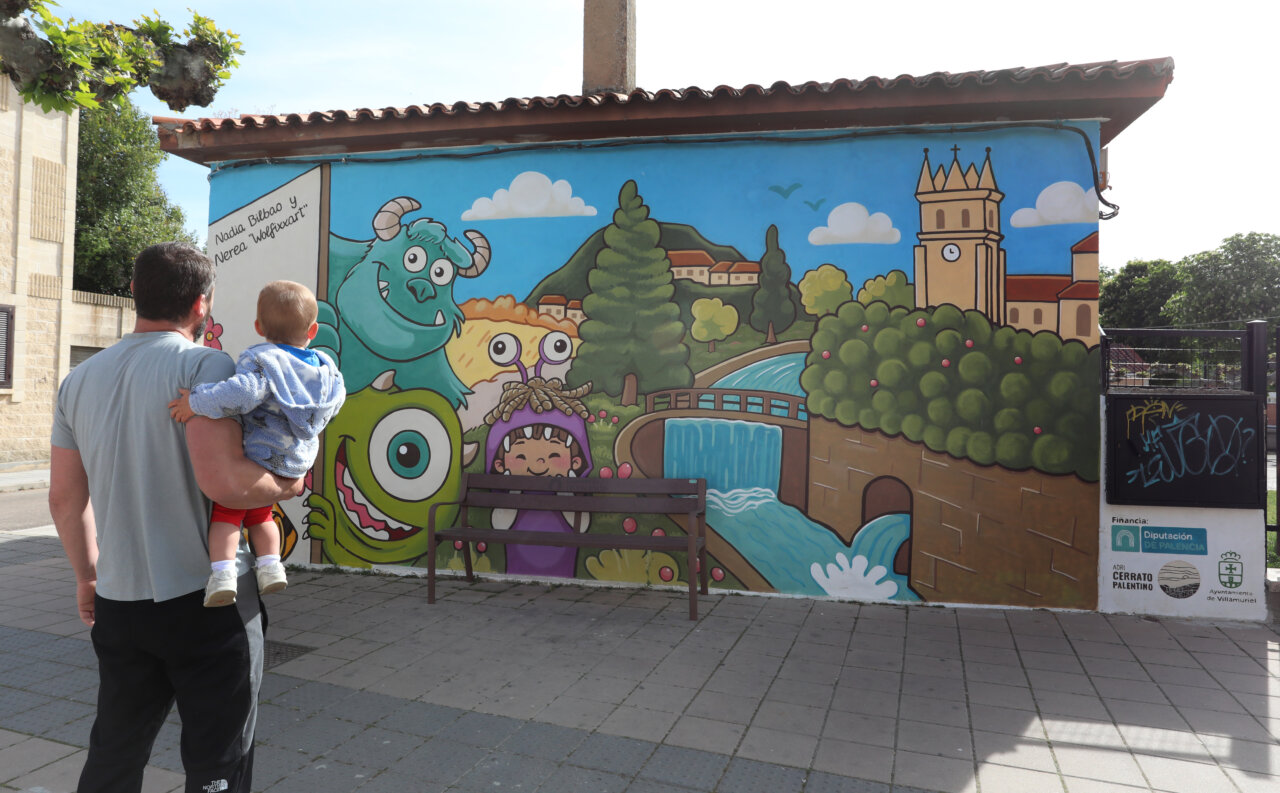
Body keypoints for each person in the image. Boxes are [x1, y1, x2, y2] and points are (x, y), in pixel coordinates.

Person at [49, 242, 305, 793]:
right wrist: (292, 483)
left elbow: (64, 500)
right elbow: (226, 482)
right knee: (218, 762)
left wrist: (87, 577)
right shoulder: (206, 365)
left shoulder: (79, 380)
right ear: (201, 304)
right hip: (208, 603)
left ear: (135, 293)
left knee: (114, 751)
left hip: (120, 603)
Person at [168, 280, 345, 608]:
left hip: (261, 453)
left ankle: (222, 575)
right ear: (313, 330)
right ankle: (271, 566)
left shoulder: (264, 360)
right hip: (296, 459)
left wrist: (196, 402)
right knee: (262, 515)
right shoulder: (325, 369)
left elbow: (241, 394)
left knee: (227, 512)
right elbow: (335, 403)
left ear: (259, 327)